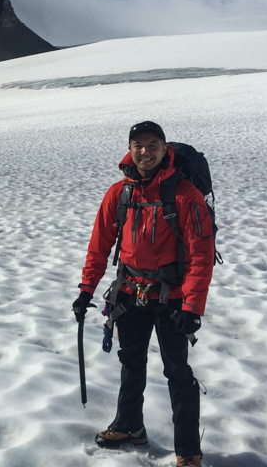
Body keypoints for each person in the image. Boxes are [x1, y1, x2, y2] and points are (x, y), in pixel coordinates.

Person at [72, 121, 215, 467]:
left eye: (152, 145)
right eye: (138, 145)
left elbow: (201, 254)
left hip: (173, 298)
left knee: (178, 371)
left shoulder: (185, 195)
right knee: (130, 362)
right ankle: (129, 426)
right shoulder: (119, 193)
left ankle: (188, 451)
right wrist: (86, 290)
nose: (145, 152)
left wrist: (192, 305)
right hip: (130, 293)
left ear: (165, 149)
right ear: (130, 148)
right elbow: (99, 246)